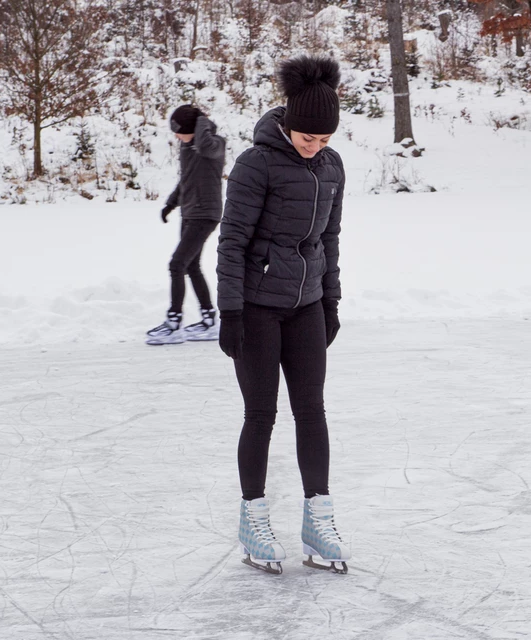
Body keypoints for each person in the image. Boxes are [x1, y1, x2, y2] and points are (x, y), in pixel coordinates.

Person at [216, 55, 350, 574]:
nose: (315, 147)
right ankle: (253, 517)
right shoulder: (257, 163)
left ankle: (318, 519)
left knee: (312, 411)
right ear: (287, 123)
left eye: (323, 140)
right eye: (306, 138)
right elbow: (231, 242)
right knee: (261, 415)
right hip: (255, 308)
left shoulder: (333, 167)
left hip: (307, 305)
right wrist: (230, 310)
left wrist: (331, 298)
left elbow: (329, 239)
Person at [146, 105, 226, 345]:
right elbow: (186, 180)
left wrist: (201, 120)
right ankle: (210, 319)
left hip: (206, 214)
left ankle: (174, 323)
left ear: (194, 128)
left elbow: (205, 146)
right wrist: (171, 204)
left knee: (177, 264)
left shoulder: (215, 144)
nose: (176, 136)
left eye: (179, 130)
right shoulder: (187, 146)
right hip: (190, 213)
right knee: (190, 266)